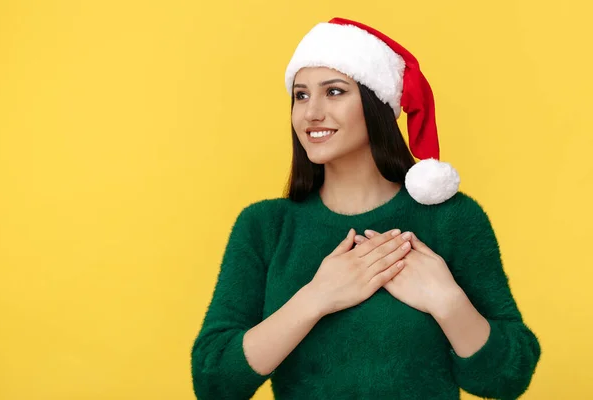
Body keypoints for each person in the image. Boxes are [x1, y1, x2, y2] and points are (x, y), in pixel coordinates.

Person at [191, 17, 541, 400]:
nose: (311, 113)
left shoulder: (450, 218)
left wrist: (447, 301)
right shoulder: (265, 226)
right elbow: (214, 380)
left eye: (335, 92)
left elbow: (508, 378)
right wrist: (317, 297)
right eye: (301, 95)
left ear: (377, 103)